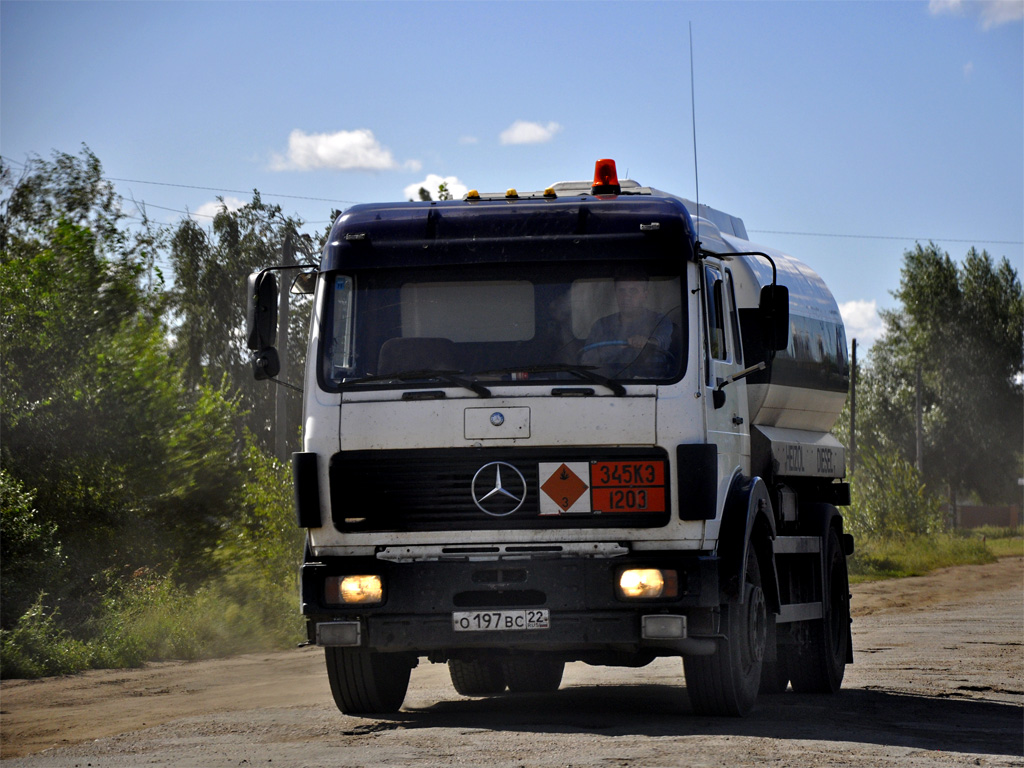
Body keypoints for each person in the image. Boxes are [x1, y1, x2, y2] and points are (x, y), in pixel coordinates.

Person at [580, 272, 675, 377]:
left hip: (653, 386)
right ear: (616, 294)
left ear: (645, 294)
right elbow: (586, 359)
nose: (626, 297)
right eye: (621, 291)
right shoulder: (601, 325)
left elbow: (661, 341)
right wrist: (614, 348)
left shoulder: (659, 321)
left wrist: (647, 342)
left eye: (633, 291)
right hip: (606, 386)